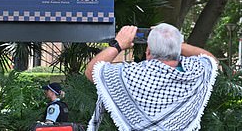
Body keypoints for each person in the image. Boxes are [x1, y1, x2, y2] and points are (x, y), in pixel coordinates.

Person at [84, 24, 218, 131]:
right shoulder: (195, 72)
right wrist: (172, 41)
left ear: (148, 52)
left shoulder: (132, 74)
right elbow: (211, 60)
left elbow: (92, 72)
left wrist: (118, 44)